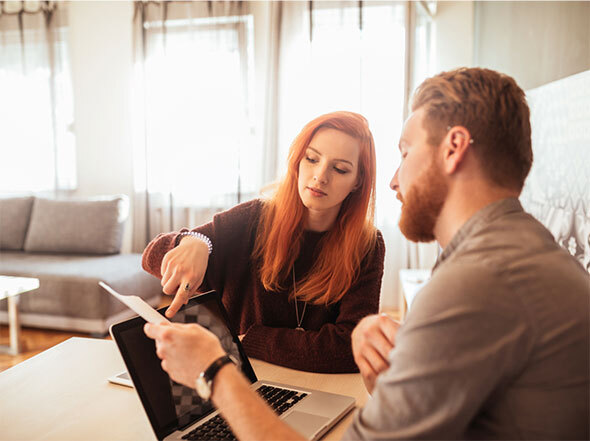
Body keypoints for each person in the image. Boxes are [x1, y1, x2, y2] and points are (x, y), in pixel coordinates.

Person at [144, 68, 590, 440]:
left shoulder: (478, 280)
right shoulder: (521, 253)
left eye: (406, 152)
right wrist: (396, 384)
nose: (394, 181)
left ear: (453, 148)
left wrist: (214, 370)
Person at [142, 111, 385, 373]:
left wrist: (251, 340)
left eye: (339, 169)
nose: (320, 176)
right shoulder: (256, 218)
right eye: (311, 159)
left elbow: (351, 347)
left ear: (358, 181)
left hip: (319, 387)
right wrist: (195, 242)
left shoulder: (367, 245)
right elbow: (152, 256)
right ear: (297, 161)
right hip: (242, 383)